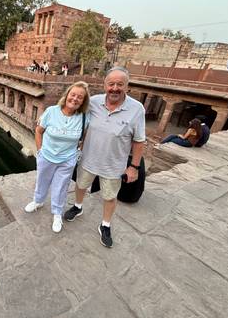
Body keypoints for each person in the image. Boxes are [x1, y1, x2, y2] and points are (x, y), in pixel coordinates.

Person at [64, 67, 146, 248]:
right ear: (104, 85)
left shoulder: (136, 109)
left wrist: (134, 167)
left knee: (109, 196)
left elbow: (139, 141)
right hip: (88, 158)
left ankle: (105, 225)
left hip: (114, 164)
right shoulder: (93, 102)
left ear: (127, 86)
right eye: (111, 84)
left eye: (120, 84)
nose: (115, 88)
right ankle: (78, 206)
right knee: (80, 185)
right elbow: (72, 109)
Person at [24, 81, 90, 233]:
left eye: (80, 97)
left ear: (83, 101)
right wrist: (40, 151)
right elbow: (39, 131)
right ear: (67, 95)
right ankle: (38, 201)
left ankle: (57, 213)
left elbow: (83, 137)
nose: (75, 99)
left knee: (61, 187)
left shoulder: (84, 118)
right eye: (73, 95)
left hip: (67, 159)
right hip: (46, 155)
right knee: (42, 180)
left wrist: (77, 152)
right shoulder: (51, 111)